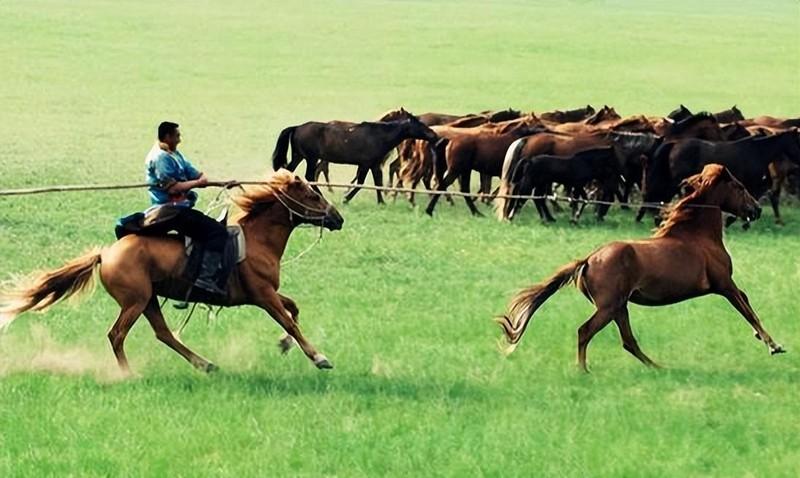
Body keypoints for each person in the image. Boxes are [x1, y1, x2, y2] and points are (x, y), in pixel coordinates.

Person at [145, 121, 228, 295]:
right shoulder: (160, 158)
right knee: (217, 232)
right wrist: (198, 183)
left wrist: (223, 183)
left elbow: (196, 174)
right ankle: (205, 278)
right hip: (171, 210)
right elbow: (173, 188)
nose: (180, 139)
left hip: (180, 208)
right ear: (167, 136)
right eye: (177, 135)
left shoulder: (174, 153)